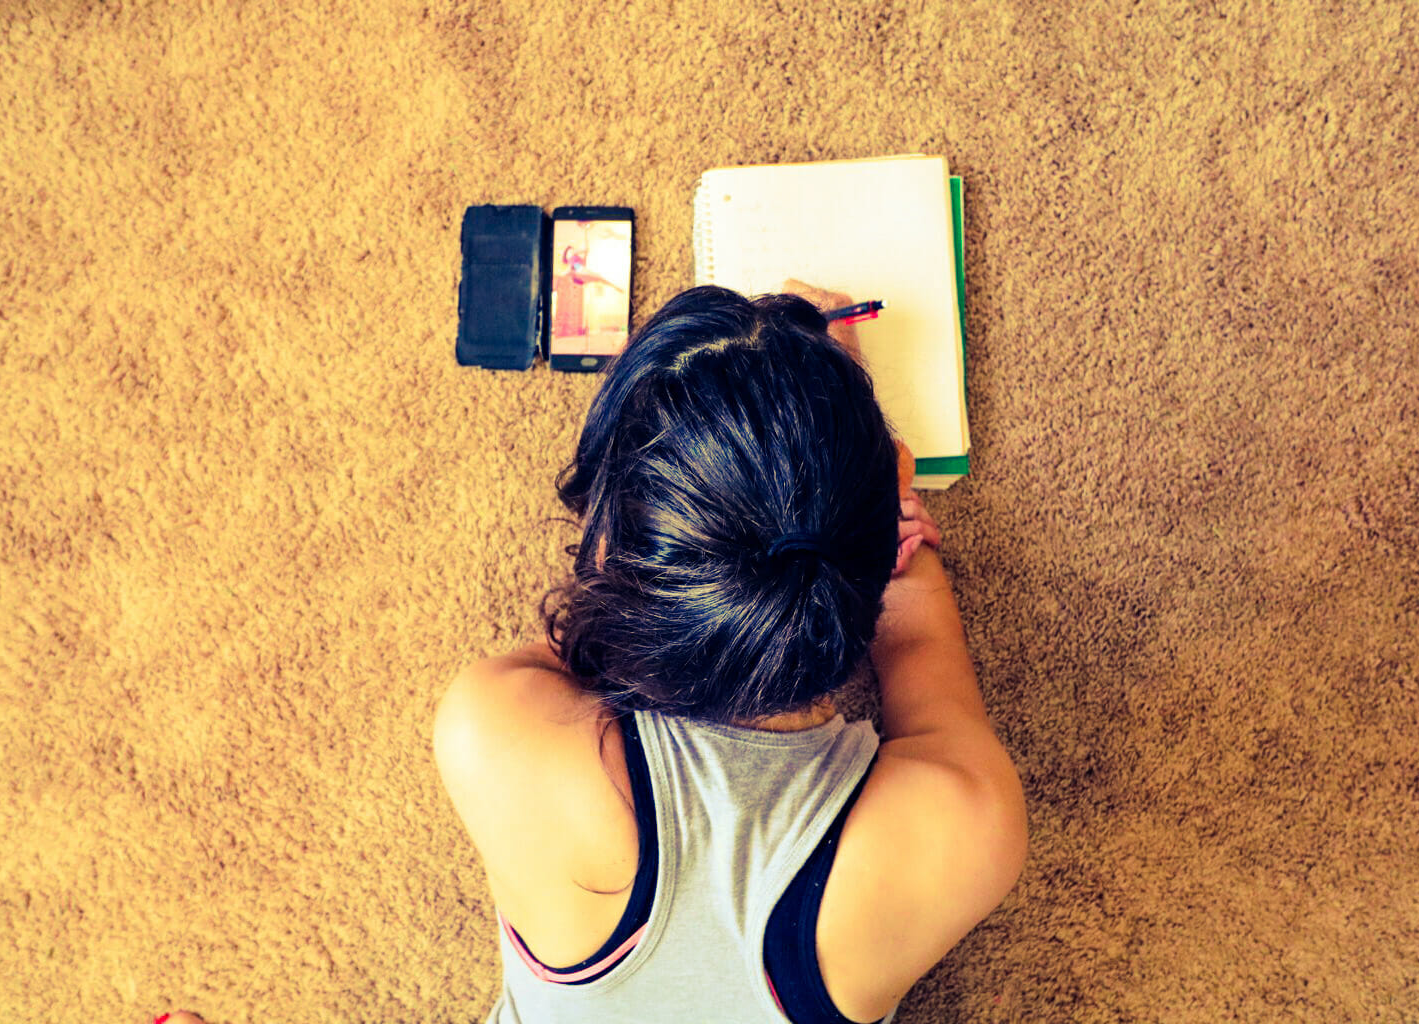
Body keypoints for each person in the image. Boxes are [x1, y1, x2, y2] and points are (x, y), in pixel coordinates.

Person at [155, 281, 1026, 1024]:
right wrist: (864, 474)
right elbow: (918, 653)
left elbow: (588, 635)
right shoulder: (967, 825)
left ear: (609, 541)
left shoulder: (498, 732)